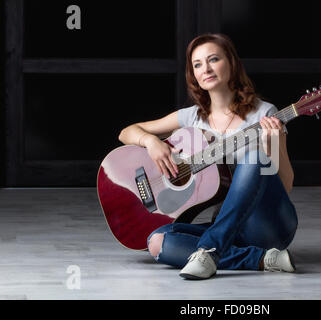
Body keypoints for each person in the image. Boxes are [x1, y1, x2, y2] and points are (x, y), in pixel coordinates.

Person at [118, 33, 298, 280]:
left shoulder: (264, 113)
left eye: (213, 59)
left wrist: (272, 145)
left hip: (266, 224)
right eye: (198, 64)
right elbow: (126, 133)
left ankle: (209, 251)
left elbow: (285, 185)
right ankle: (261, 260)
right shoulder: (192, 117)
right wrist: (151, 142)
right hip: (226, 228)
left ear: (231, 63)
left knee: (254, 158)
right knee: (158, 241)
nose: (206, 69)